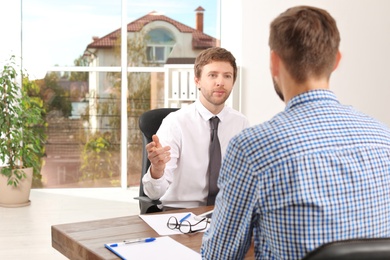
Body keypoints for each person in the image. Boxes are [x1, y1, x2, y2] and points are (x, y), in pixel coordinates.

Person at [201, 5, 390, 259]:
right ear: (336, 61)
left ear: (274, 62)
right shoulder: (383, 137)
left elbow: (218, 255)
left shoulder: (252, 148)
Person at [142, 47, 250, 209]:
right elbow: (154, 194)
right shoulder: (175, 123)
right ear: (197, 81)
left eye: (227, 76)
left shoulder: (241, 123)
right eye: (212, 75)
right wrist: (157, 170)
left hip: (226, 213)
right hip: (179, 213)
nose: (220, 82)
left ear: (233, 82)